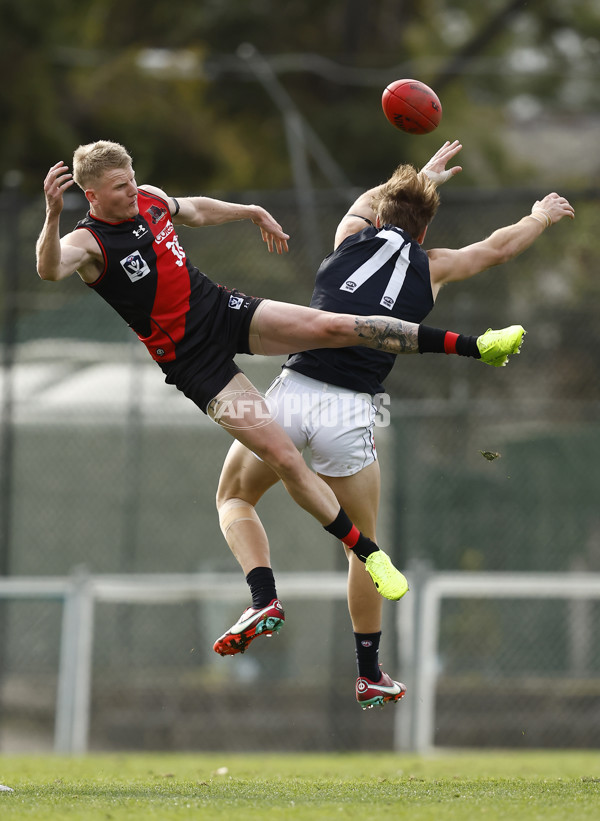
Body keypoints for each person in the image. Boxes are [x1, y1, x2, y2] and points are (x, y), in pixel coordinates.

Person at [36, 139, 524, 615]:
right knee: (285, 459)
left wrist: (250, 210)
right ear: (93, 195)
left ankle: (476, 346)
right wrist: (53, 214)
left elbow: (196, 210)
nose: (132, 190)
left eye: (132, 179)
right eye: (119, 187)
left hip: (223, 310)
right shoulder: (86, 242)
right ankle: (358, 558)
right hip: (193, 362)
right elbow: (49, 269)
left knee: (332, 326)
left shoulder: (148, 200)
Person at [212, 140, 575, 709]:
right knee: (365, 549)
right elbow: (497, 250)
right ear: (425, 233)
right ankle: (369, 670)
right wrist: (539, 216)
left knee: (234, 498)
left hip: (295, 393)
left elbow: (367, 202)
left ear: (378, 215)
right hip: (353, 412)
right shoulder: (434, 268)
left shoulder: (348, 239)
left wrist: (423, 174)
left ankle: (263, 595)